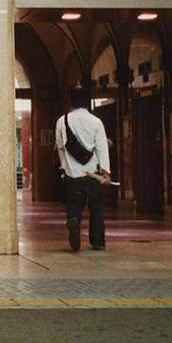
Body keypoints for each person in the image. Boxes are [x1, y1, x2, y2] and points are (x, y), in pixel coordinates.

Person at [56, 87, 112, 252]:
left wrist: (64, 166)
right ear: (87, 101)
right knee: (96, 207)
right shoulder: (96, 122)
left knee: (73, 203)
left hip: (72, 173)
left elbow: (60, 146)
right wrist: (106, 172)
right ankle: (97, 241)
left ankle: (73, 219)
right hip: (93, 174)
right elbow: (102, 147)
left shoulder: (62, 120)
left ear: (71, 101)